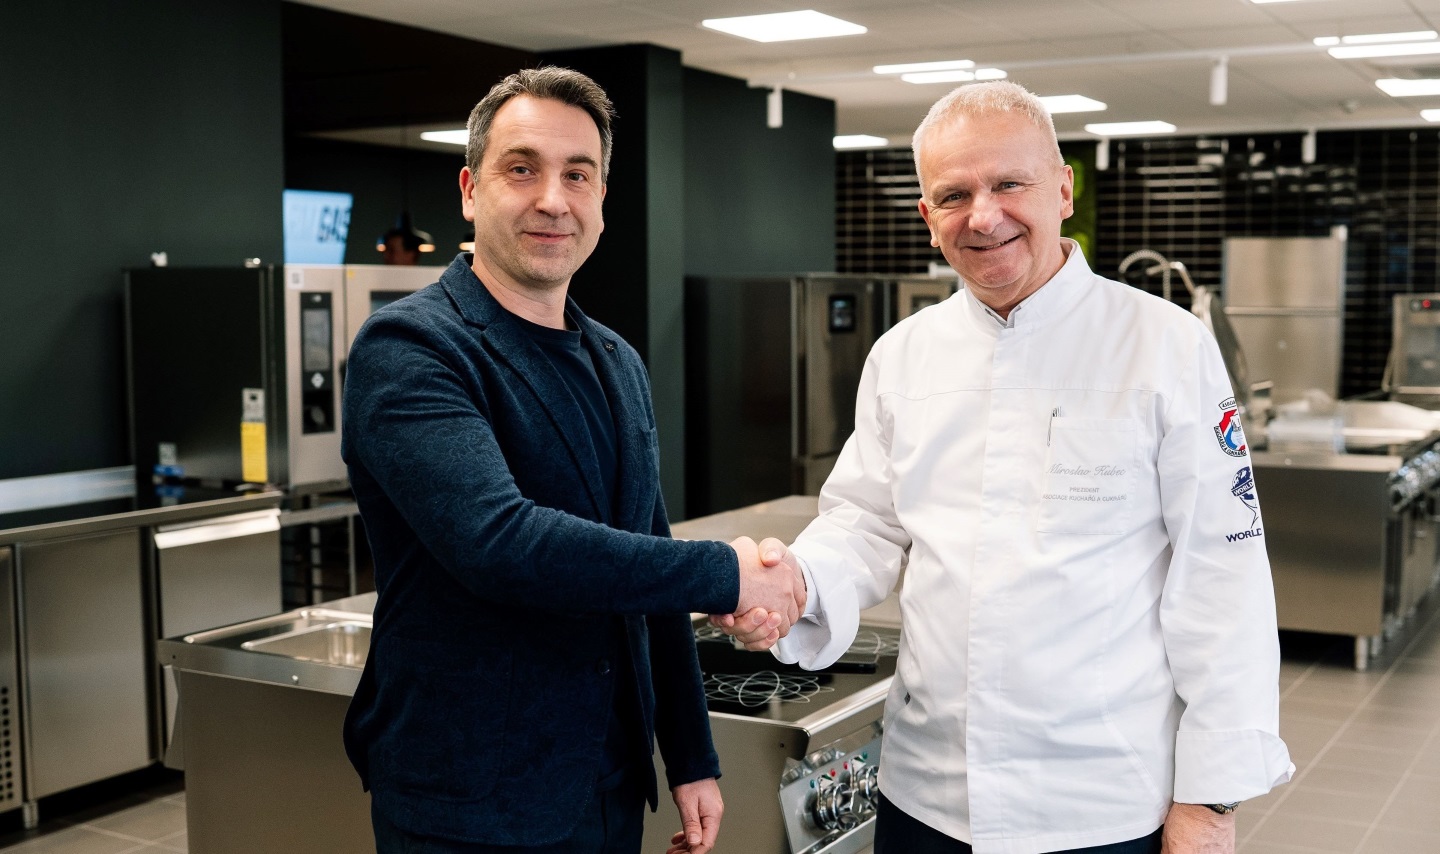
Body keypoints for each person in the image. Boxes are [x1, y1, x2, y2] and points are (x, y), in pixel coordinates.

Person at [715, 80, 1292, 854]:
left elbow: (1223, 577)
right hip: (926, 796)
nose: (983, 217)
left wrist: (1211, 801)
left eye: (1009, 184)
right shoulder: (903, 355)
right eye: (954, 195)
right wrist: (795, 586)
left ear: (1063, 189)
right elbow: (864, 524)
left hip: (1103, 803)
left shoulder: (1164, 345)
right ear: (928, 217)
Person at [341, 66, 804, 854]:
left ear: (601, 199)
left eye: (577, 175)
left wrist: (690, 752)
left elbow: (646, 549)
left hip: (607, 784)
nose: (553, 199)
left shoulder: (616, 359)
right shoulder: (412, 347)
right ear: (470, 190)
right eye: (522, 169)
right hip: (469, 799)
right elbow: (501, 543)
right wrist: (726, 574)